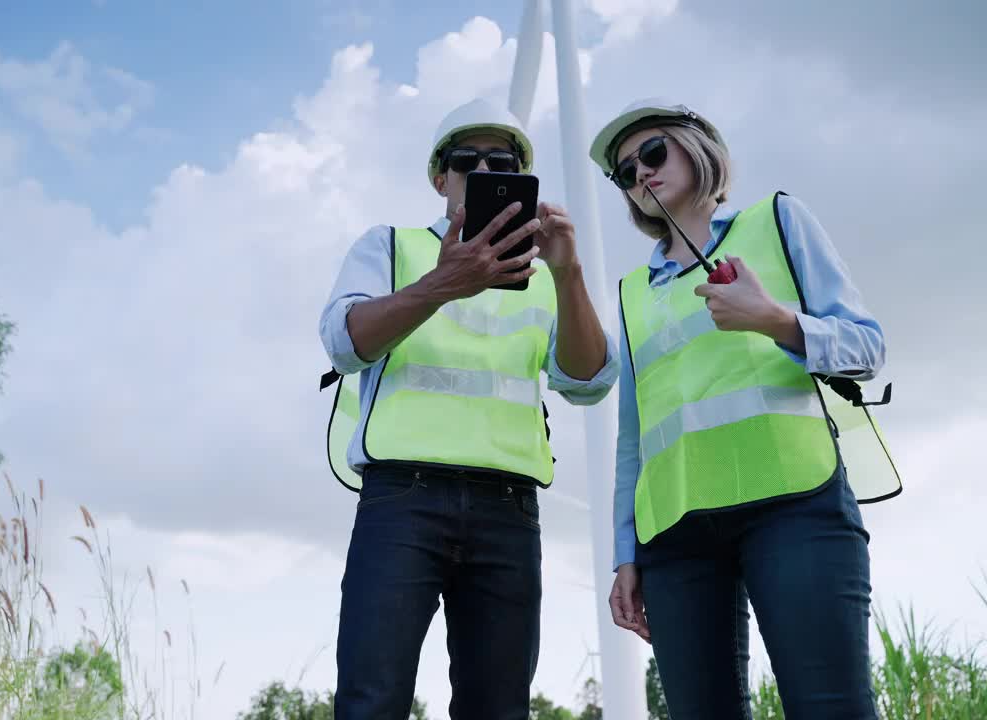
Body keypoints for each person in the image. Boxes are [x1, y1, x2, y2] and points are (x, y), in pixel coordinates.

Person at [589, 98, 901, 719]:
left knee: (830, 708)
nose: (641, 174)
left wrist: (775, 321)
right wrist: (625, 552)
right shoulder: (628, 295)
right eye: (626, 172)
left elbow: (868, 347)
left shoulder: (779, 221)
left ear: (696, 146)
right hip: (674, 533)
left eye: (652, 152)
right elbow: (634, 438)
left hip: (793, 503)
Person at [318, 98, 618, 719]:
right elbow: (346, 341)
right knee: (371, 700)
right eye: (467, 160)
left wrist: (568, 273)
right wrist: (439, 284)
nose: (483, 171)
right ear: (439, 178)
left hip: (508, 511)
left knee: (498, 708)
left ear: (523, 180)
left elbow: (587, 382)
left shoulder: (543, 275)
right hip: (401, 500)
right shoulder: (390, 246)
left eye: (500, 162)